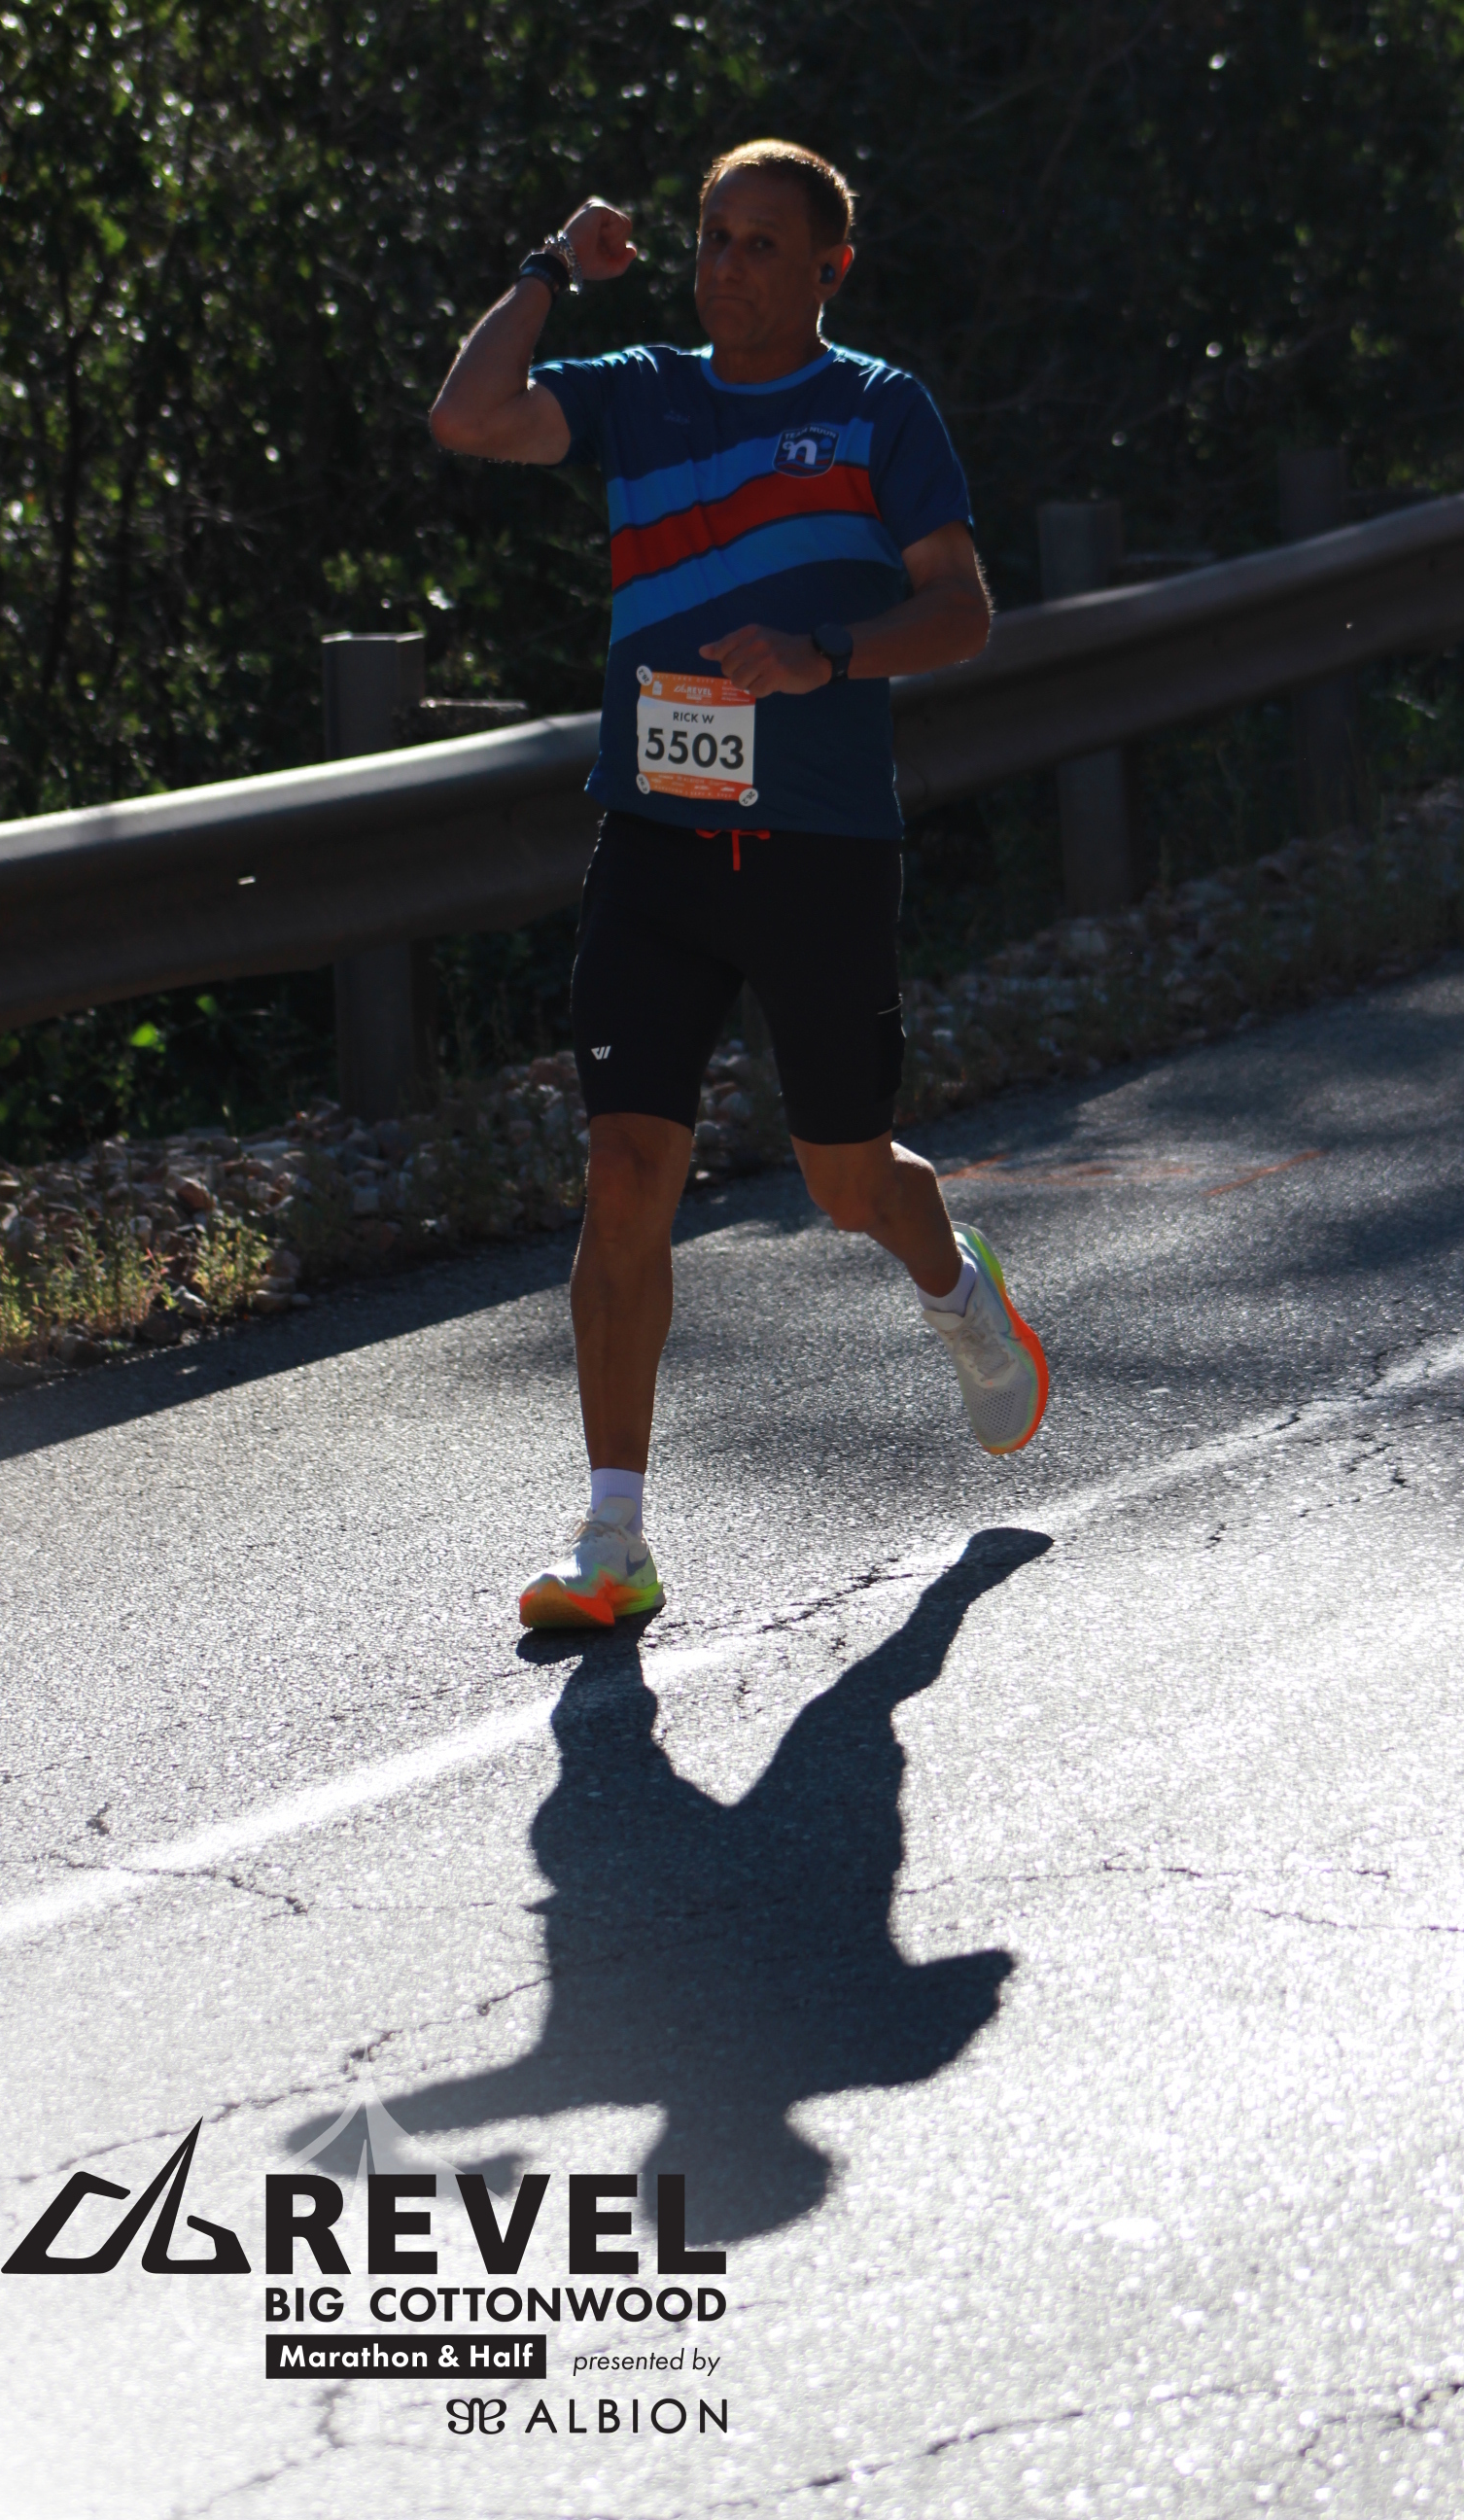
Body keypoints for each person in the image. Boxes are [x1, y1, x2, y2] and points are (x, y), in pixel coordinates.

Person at [430, 139, 1048, 1630]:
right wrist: (548, 270)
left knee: (846, 1177)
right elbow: (467, 416)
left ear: (831, 268)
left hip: (818, 849)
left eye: (763, 244)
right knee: (625, 1171)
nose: (728, 266)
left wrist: (826, 653)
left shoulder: (879, 409)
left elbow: (961, 610)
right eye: (713, 237)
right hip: (654, 844)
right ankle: (614, 1541)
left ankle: (958, 1288)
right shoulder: (641, 390)